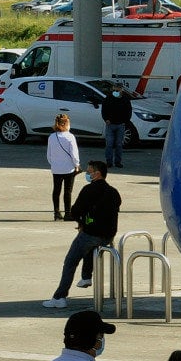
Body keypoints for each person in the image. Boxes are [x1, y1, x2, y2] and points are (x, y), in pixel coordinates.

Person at [44, 161, 121, 308]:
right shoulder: (113, 192)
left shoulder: (89, 190)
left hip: (92, 233)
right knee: (90, 247)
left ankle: (59, 297)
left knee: (70, 261)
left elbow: (75, 211)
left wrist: (81, 223)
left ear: (97, 174)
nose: (87, 173)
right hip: (108, 235)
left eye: (90, 171)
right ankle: (86, 276)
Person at [46, 113, 80, 221]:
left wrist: (54, 163)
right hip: (68, 168)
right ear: (66, 123)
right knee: (67, 191)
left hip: (56, 168)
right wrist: (77, 165)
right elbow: (74, 154)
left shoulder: (52, 137)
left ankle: (56, 212)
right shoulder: (70, 137)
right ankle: (68, 213)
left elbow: (49, 154)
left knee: (56, 190)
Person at [101, 86, 134, 170]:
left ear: (121, 90)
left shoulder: (125, 100)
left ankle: (118, 162)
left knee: (119, 144)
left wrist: (125, 121)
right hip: (110, 124)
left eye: (117, 90)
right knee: (109, 144)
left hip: (120, 125)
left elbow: (129, 111)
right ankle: (109, 162)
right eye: (114, 90)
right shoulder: (108, 98)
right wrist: (106, 119)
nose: (115, 91)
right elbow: (104, 110)